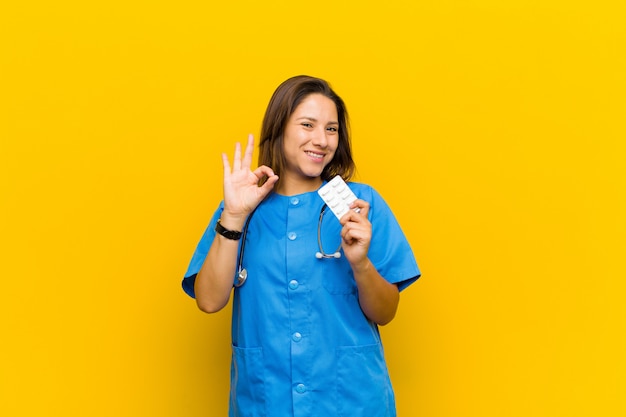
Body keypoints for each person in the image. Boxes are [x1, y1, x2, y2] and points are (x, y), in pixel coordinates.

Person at [182, 75, 420, 417]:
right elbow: (208, 300)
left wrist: (361, 264)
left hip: (351, 402)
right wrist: (233, 216)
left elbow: (386, 312)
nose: (321, 140)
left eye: (332, 129)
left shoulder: (360, 205)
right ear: (280, 129)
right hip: (266, 403)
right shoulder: (241, 209)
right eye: (307, 125)